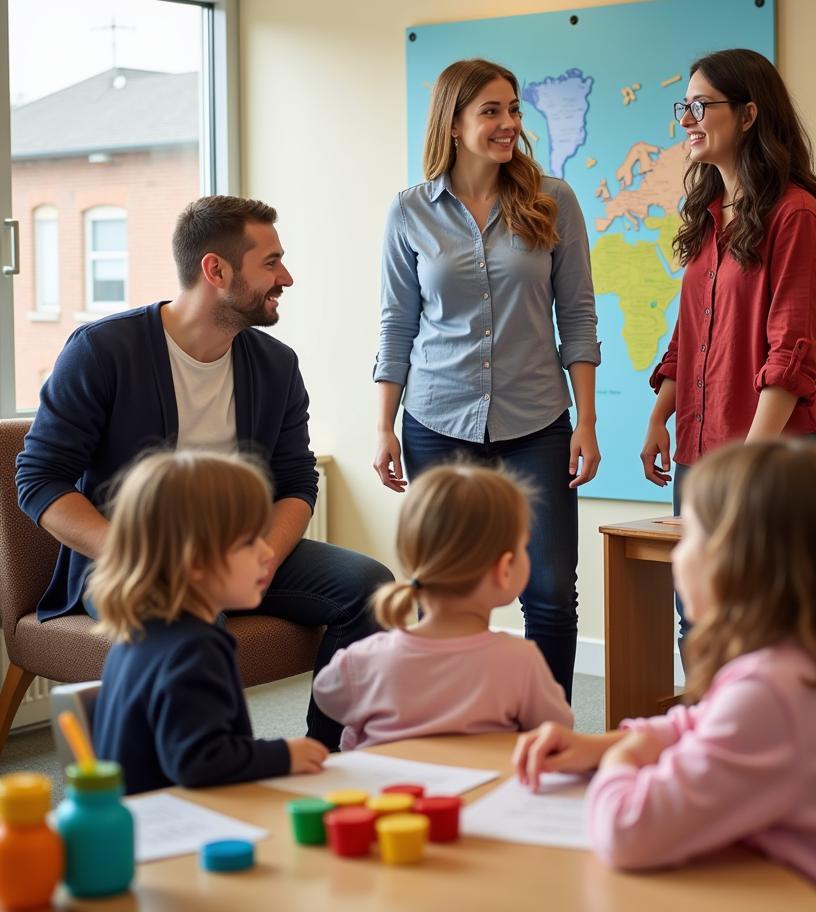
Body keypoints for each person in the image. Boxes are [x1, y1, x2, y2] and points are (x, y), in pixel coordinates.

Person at [15, 194, 392, 749]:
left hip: (238, 547)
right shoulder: (102, 351)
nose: (286, 276)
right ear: (214, 269)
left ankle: (327, 752)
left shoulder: (276, 365)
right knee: (188, 618)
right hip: (131, 557)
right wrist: (147, 556)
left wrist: (264, 551)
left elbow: (295, 482)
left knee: (370, 588)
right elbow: (40, 480)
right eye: (271, 262)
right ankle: (205, 764)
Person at [513, 440, 816, 912]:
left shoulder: (771, 693)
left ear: (735, 562)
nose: (676, 555)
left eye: (688, 536)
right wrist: (599, 745)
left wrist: (623, 756)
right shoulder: (798, 662)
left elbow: (628, 832)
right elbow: (694, 726)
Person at [372, 58, 601, 701]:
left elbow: (578, 315)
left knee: (551, 587)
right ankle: (447, 719)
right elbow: (397, 325)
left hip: (538, 423)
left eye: (514, 110)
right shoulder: (410, 212)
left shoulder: (554, 200)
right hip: (435, 421)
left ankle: (546, 720)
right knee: (445, 588)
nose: (509, 125)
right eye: (491, 112)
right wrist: (383, 427)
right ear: (453, 123)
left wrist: (585, 421)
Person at [639, 48, 816, 651]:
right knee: (703, 618)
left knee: (772, 623)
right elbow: (690, 335)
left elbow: (793, 353)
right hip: (701, 448)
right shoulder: (709, 218)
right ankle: (717, 744)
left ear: (748, 115)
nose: (688, 118)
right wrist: (662, 415)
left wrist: (749, 466)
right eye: (684, 105)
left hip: (774, 454)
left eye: (702, 105)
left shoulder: (796, 216)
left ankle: (775, 744)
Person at [89, 450, 327, 795]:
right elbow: (198, 760)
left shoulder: (140, 631)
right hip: (174, 827)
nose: (267, 552)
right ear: (194, 560)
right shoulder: (196, 648)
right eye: (249, 542)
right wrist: (283, 754)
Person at [313, 463, 573, 750]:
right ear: (504, 569)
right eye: (523, 547)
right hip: (485, 793)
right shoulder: (522, 662)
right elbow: (557, 729)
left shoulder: (361, 660)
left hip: (389, 791)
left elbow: (327, 697)